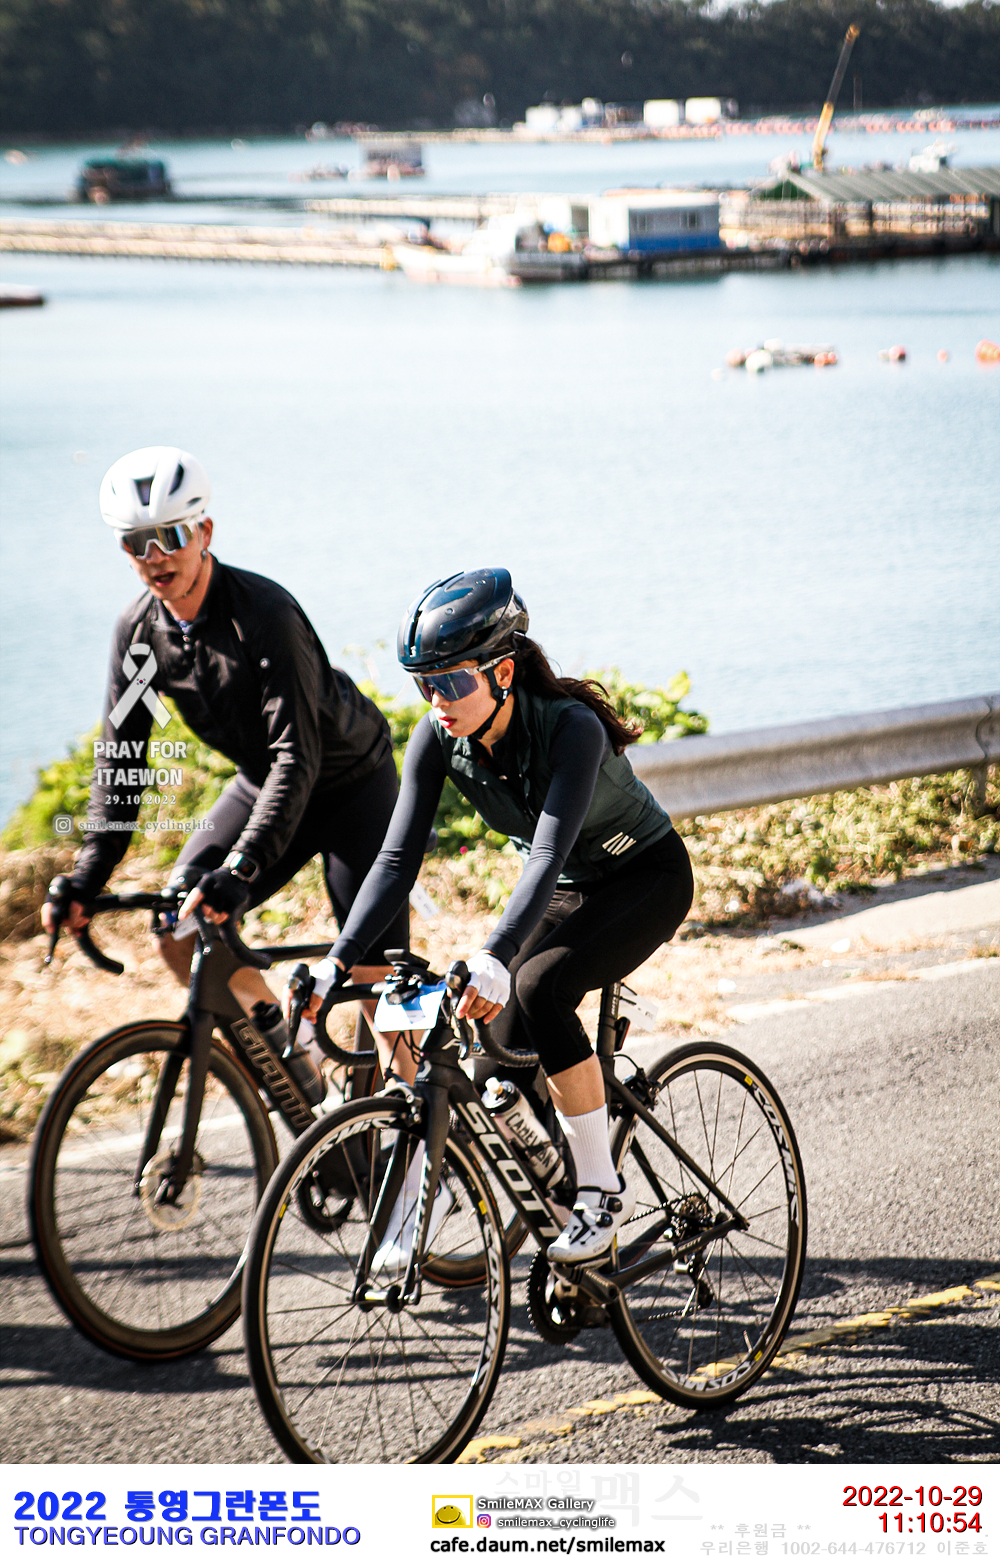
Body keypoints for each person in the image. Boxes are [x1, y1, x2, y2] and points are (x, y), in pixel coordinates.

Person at [302, 568, 693, 1263]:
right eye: (424, 684)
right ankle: (535, 1204)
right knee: (491, 1071)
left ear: (502, 672)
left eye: (452, 682)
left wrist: (495, 953)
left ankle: (600, 1194)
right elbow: (395, 861)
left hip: (644, 876)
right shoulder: (437, 736)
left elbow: (545, 854)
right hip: (566, 889)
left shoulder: (570, 728)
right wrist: (338, 961)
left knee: (540, 989)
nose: (437, 701)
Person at [42, 446, 407, 1074]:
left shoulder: (263, 614)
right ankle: (296, 1068)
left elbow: (297, 753)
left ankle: (419, 1120)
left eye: (171, 536)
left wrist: (242, 865)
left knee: (374, 980)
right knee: (178, 927)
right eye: (136, 543)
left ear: (204, 532)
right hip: (264, 784)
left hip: (351, 786)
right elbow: (122, 762)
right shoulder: (140, 634)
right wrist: (89, 873)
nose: (155, 557)